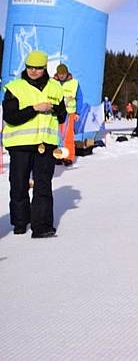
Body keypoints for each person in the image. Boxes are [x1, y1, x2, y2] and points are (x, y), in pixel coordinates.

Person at [2, 50, 68, 238]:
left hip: (45, 144)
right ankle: (20, 222)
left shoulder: (55, 88)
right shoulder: (15, 88)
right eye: (30, 67)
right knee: (19, 184)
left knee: (43, 185)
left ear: (44, 68)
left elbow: (62, 116)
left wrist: (55, 110)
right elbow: (10, 117)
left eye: (37, 68)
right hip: (20, 144)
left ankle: (42, 226)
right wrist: (35, 109)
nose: (33, 71)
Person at [54, 63, 82, 166]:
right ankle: (57, 155)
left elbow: (79, 98)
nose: (61, 75)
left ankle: (68, 157)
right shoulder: (52, 83)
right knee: (56, 136)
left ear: (67, 73)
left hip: (69, 114)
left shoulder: (74, 83)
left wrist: (78, 112)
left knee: (68, 136)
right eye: (60, 73)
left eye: (63, 73)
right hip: (56, 113)